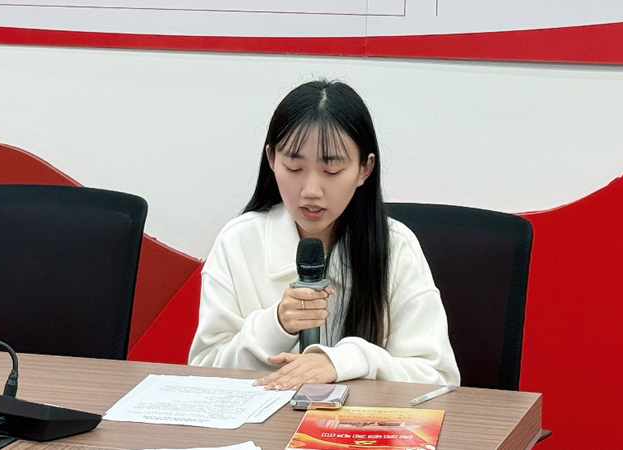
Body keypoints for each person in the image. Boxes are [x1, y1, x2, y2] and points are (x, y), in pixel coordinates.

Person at [189, 79, 460, 390]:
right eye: (294, 167)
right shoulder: (238, 242)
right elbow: (202, 370)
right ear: (272, 159)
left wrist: (346, 361)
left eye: (331, 171)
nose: (311, 190)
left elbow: (438, 378)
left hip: (360, 422)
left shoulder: (396, 247)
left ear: (364, 169)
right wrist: (277, 325)